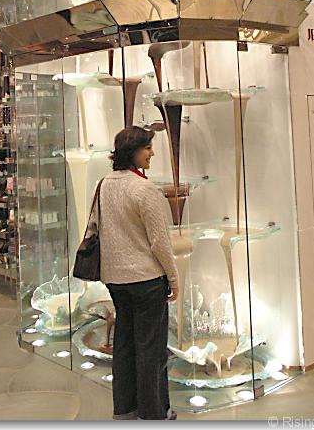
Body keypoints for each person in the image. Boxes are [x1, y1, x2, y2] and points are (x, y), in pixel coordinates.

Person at [87, 126, 179, 421]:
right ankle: (154, 413)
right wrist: (174, 277)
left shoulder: (103, 185)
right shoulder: (144, 189)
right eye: (148, 148)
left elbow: (96, 227)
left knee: (124, 345)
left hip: (115, 279)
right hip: (146, 279)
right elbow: (160, 242)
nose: (152, 153)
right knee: (151, 348)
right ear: (134, 151)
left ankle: (125, 409)